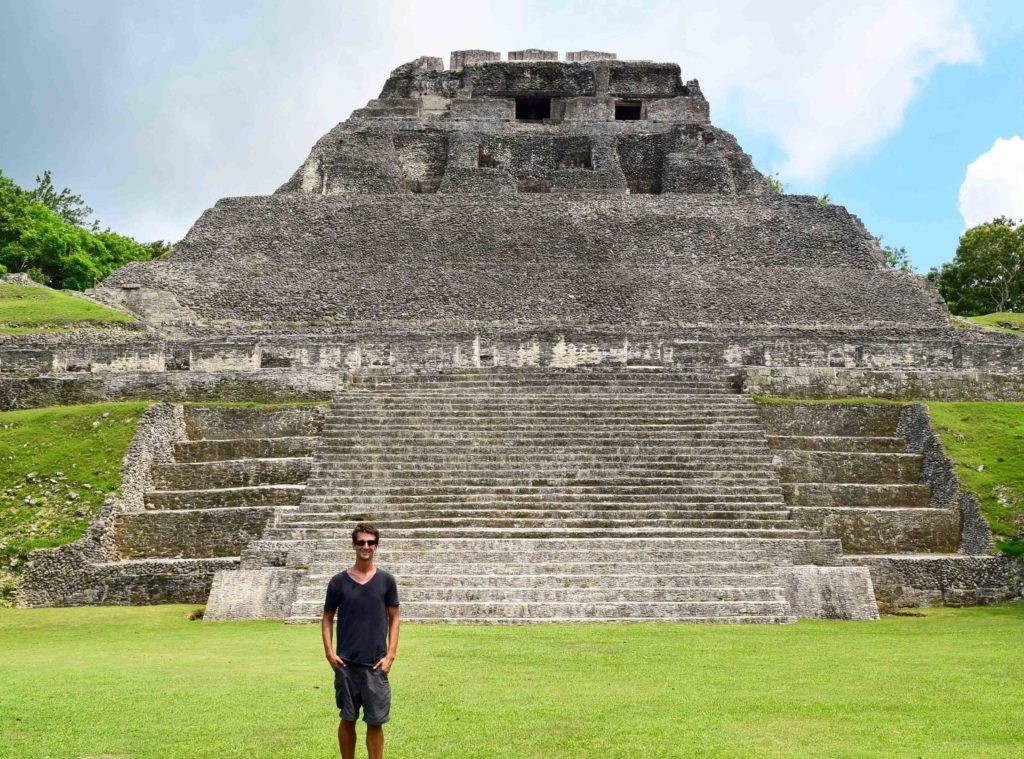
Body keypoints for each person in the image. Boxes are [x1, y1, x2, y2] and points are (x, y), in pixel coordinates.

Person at [322, 523, 400, 759]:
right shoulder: (338, 582)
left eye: (370, 542)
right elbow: (327, 618)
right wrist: (329, 652)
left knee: (375, 722)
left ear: (376, 545)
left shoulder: (386, 581)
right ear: (353, 544)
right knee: (347, 718)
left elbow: (394, 618)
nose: (366, 546)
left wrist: (391, 655)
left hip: (376, 665)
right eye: (361, 542)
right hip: (346, 664)